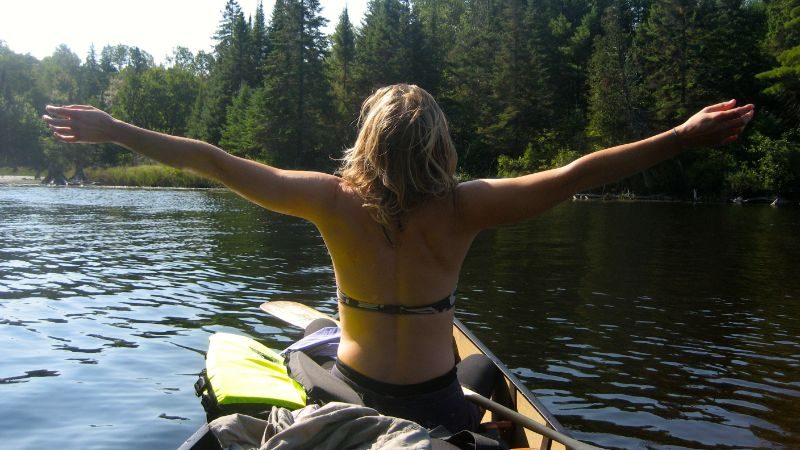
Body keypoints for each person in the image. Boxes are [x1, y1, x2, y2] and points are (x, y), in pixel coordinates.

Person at [42, 85, 754, 432]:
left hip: (351, 395)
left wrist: (116, 130)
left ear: (368, 141)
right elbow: (576, 174)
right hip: (439, 406)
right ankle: (498, 433)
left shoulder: (329, 199)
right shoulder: (468, 206)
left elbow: (214, 161)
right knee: (488, 373)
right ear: (438, 145)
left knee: (298, 358)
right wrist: (683, 136)